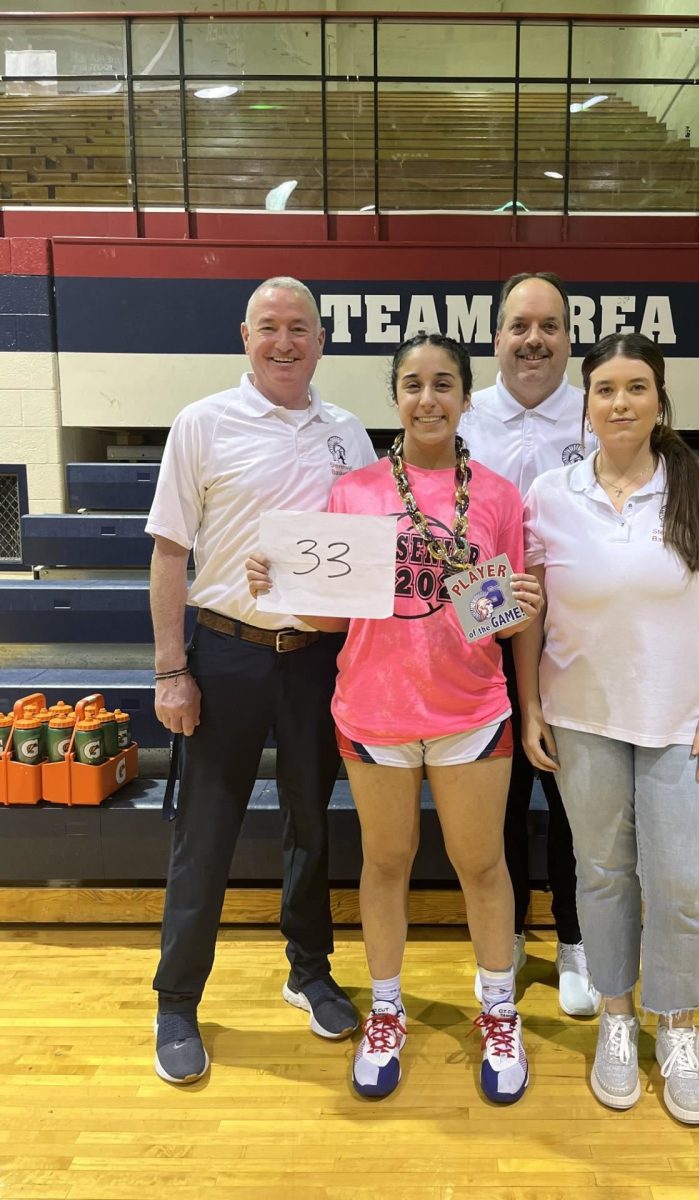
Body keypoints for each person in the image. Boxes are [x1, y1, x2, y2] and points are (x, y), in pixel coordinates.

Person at [247, 333, 543, 1104]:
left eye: (444, 384)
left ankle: (498, 1011)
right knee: (385, 865)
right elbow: (335, 618)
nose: (428, 398)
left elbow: (505, 618)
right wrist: (277, 580)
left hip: (470, 710)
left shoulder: (501, 496)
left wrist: (523, 606)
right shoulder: (358, 493)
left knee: (482, 867)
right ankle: (386, 1011)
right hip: (375, 712)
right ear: (396, 398)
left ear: (466, 397)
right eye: (412, 384)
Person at [515, 332, 699, 1124]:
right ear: (584, 403)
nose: (620, 402)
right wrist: (531, 704)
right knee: (603, 876)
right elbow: (528, 609)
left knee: (681, 885)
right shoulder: (551, 494)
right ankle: (617, 1019)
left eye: (636, 387)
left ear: (660, 400)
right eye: (606, 388)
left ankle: (678, 1026)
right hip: (582, 718)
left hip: (683, 721)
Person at [146, 276, 377, 1085]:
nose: (286, 342)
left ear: (322, 340)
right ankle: (177, 999)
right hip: (227, 651)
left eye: (301, 328)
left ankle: (308, 971)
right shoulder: (202, 423)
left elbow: (366, 556)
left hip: (315, 662)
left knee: (312, 823)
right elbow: (170, 553)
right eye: (270, 327)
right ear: (244, 335)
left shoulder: (349, 434)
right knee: (204, 833)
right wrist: (172, 669)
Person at [459, 271, 599, 1016]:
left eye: (549, 326)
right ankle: (506, 934)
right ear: (497, 338)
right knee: (499, 805)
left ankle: (574, 940)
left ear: (569, 338)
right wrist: (495, 613)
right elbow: (446, 542)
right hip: (485, 655)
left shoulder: (597, 416)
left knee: (576, 806)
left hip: (577, 653)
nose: (534, 339)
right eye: (520, 326)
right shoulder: (463, 419)